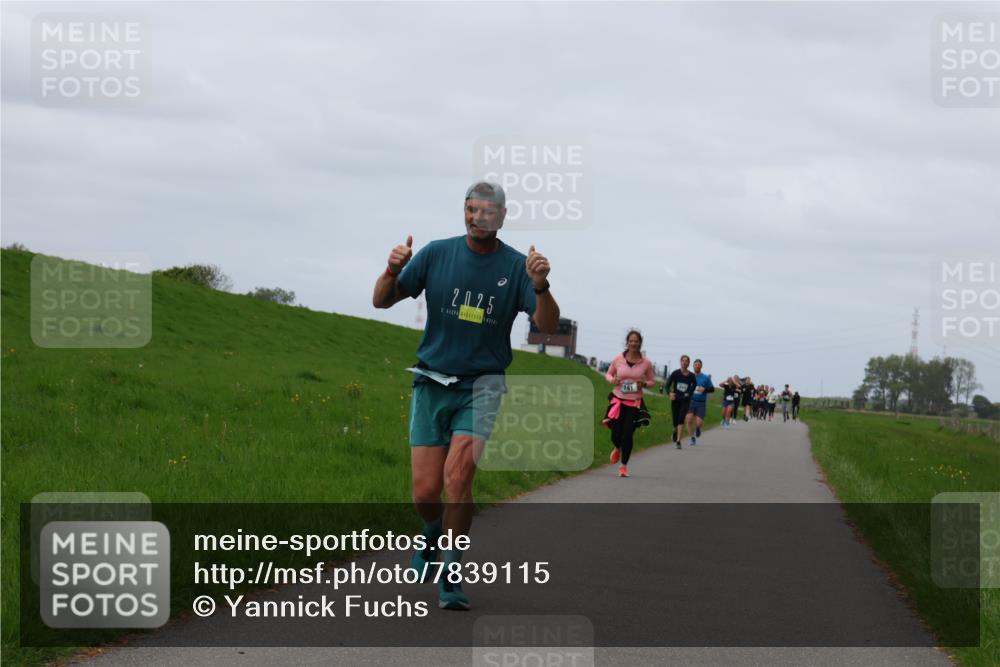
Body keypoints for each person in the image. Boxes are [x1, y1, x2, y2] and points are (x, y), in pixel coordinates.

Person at [372, 181, 560, 610]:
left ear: (502, 217)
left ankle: (452, 570)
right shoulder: (438, 253)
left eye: (487, 212)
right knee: (424, 492)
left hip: (482, 386)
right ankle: (433, 533)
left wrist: (541, 286)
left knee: (458, 479)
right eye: (471, 210)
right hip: (431, 380)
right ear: (464, 212)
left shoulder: (516, 268)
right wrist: (391, 269)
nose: (478, 218)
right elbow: (382, 301)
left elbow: (547, 324)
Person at [604, 330, 655, 476]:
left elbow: (652, 381)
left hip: (634, 403)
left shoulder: (646, 363)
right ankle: (617, 447)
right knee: (615, 433)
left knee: (627, 434)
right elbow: (608, 373)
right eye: (631, 341)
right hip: (617, 399)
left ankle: (623, 466)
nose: (633, 343)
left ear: (640, 343)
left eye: (636, 341)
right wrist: (612, 380)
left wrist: (644, 384)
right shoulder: (618, 359)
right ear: (628, 342)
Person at [666, 354, 696, 449]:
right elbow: (667, 385)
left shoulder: (691, 375)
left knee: (681, 419)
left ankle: (678, 441)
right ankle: (675, 431)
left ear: (689, 363)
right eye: (683, 360)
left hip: (685, 401)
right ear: (680, 362)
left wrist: (689, 393)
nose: (685, 362)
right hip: (675, 400)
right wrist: (669, 393)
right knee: (675, 420)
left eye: (687, 361)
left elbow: (694, 385)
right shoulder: (675, 373)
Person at [685, 359, 714, 446]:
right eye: (695, 364)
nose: (697, 366)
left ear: (701, 366)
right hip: (690, 401)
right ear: (693, 366)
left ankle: (698, 428)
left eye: (699, 365)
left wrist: (705, 389)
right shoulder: (689, 376)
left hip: (701, 403)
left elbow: (712, 389)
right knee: (689, 420)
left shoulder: (705, 378)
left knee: (699, 423)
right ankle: (692, 438)